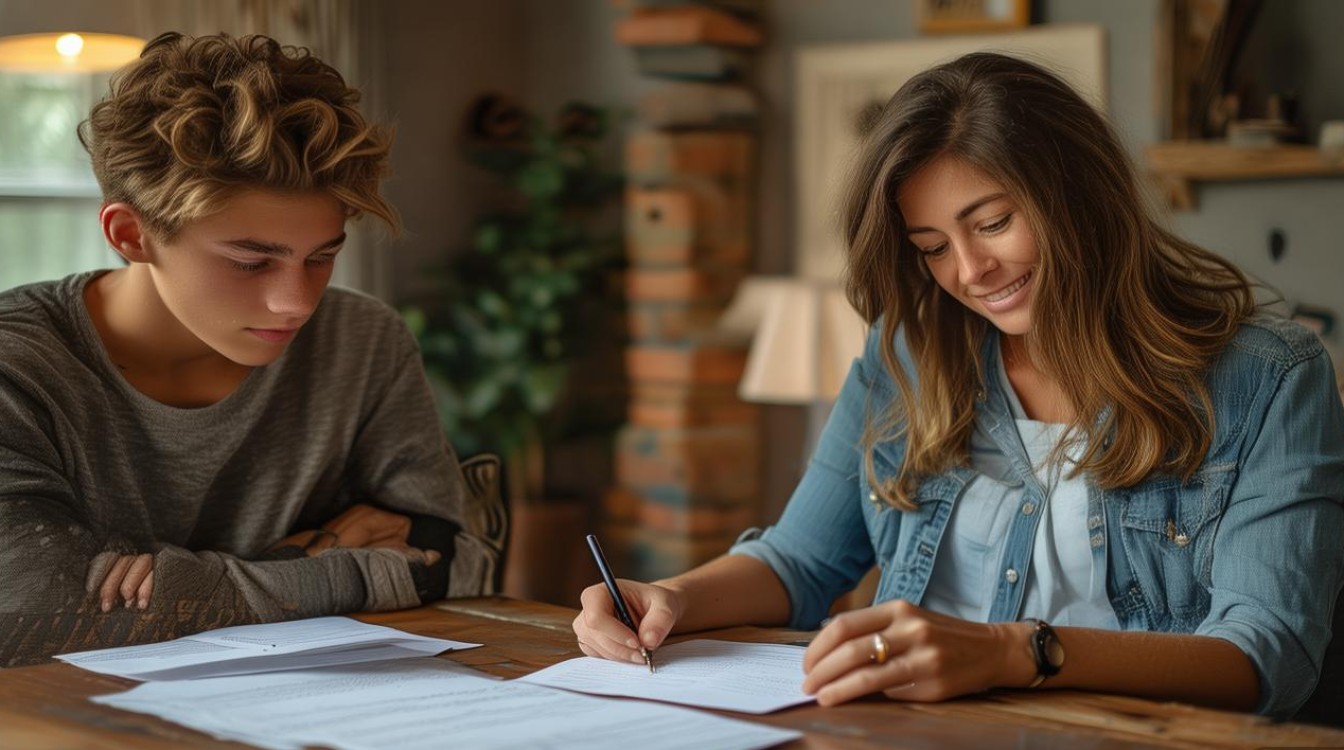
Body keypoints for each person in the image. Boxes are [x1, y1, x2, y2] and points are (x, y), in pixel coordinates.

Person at [573, 51, 1344, 720]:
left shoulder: (1267, 377)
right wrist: (671, 598)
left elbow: (1266, 655)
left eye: (995, 221)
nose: (971, 273)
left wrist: (1015, 653)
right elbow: (800, 563)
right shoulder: (906, 353)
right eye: (933, 246)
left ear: (1079, 193)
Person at [0, 32, 490, 666]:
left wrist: (176, 586)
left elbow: (448, 562)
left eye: (322, 257)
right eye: (252, 262)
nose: (297, 302)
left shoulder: (363, 340)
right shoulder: (17, 366)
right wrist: (313, 560)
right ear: (131, 234)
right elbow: (28, 610)